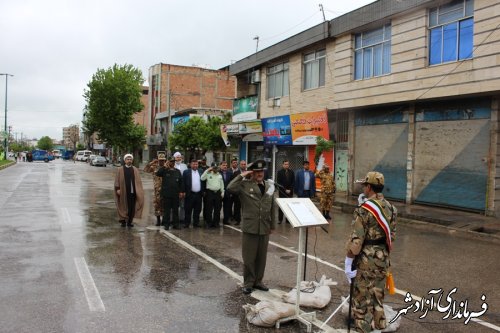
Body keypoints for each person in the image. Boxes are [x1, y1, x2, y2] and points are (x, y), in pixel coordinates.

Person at [344, 171, 397, 333]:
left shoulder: (364, 209)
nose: (362, 189)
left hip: (366, 262)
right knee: (377, 299)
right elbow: (392, 237)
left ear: (369, 187)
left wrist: (348, 260)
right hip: (383, 261)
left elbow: (356, 240)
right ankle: (379, 329)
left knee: (361, 304)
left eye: (364, 186)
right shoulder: (392, 208)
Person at [227, 159, 276, 295]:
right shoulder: (244, 185)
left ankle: (258, 281)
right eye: (257, 171)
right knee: (249, 257)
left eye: (261, 171)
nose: (260, 174)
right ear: (252, 172)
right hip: (250, 226)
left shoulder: (269, 186)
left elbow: (273, 206)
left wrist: (272, 225)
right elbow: (230, 187)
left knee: (261, 257)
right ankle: (248, 282)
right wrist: (242, 175)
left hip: (264, 226)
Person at [114, 154, 144, 227]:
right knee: (123, 206)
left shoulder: (135, 169)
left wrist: (139, 191)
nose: (129, 161)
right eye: (128, 159)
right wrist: (118, 189)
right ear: (125, 160)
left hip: (132, 192)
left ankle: (130, 222)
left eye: (130, 159)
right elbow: (117, 180)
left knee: (131, 207)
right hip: (123, 191)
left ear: (132, 160)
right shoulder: (120, 169)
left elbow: (138, 181)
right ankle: (123, 221)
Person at [157, 156, 185, 230]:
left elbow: (181, 182)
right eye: (170, 161)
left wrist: (181, 191)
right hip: (166, 194)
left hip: (175, 194)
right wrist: (164, 166)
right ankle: (166, 224)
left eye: (173, 161)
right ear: (168, 162)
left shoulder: (177, 171)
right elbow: (158, 173)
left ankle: (176, 224)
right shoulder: (165, 170)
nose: (172, 163)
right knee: (167, 210)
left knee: (175, 210)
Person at [144, 153, 167, 226]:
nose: (161, 162)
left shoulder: (167, 167)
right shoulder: (154, 167)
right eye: (160, 160)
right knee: (157, 205)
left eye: (163, 160)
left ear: (165, 160)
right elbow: (145, 170)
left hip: (165, 188)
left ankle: (164, 220)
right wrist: (151, 163)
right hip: (156, 189)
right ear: (158, 160)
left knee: (165, 204)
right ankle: (158, 220)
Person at [201, 163, 224, 228]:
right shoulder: (208, 174)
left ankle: (216, 223)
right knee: (209, 209)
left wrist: (223, 192)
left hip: (217, 193)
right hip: (210, 193)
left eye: (216, 168)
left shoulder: (219, 175)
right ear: (211, 168)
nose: (215, 169)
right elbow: (202, 178)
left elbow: (222, 184)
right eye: (214, 168)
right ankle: (209, 223)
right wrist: (208, 170)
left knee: (217, 209)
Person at [183, 159, 205, 228]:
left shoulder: (201, 171)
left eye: (196, 164)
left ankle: (196, 223)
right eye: (194, 164)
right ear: (190, 164)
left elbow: (203, 181)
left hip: (198, 194)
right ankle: (187, 223)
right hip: (190, 194)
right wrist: (183, 191)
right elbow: (183, 183)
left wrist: (203, 191)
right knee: (188, 210)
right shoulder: (186, 172)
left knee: (197, 210)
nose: (195, 165)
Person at [231, 160, 247, 225]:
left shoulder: (248, 173)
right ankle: (237, 220)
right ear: (239, 165)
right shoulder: (236, 173)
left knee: (246, 207)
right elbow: (234, 183)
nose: (243, 165)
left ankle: (246, 220)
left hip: (246, 192)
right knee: (237, 207)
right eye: (242, 164)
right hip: (238, 192)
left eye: (244, 164)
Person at [173, 151, 188, 224]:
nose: (179, 158)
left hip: (183, 187)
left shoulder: (184, 166)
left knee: (182, 205)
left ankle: (182, 219)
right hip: (175, 187)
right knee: (174, 205)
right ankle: (173, 219)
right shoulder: (172, 165)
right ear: (174, 158)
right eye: (177, 157)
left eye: (180, 157)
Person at [220, 161, 234, 225]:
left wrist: (231, 192)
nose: (225, 166)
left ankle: (226, 220)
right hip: (220, 193)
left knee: (227, 207)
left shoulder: (230, 173)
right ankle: (216, 220)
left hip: (228, 193)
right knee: (218, 207)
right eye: (223, 165)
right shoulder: (218, 173)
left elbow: (232, 183)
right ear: (220, 166)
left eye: (226, 165)